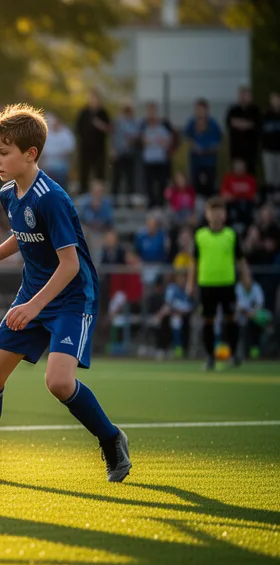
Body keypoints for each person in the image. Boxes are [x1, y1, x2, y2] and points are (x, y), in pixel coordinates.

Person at [0, 103, 130, 483]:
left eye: (3, 152)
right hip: (34, 296)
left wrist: (33, 305)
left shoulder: (52, 197)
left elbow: (70, 264)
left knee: (58, 382)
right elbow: (23, 236)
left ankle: (112, 440)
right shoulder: (10, 194)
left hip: (71, 299)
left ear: (31, 154)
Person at [186, 197, 252, 370]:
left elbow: (241, 259)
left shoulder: (231, 235)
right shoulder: (200, 235)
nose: (216, 215)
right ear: (207, 215)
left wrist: (246, 277)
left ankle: (234, 353)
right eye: (212, 211)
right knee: (208, 320)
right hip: (207, 284)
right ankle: (210, 357)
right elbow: (193, 262)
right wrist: (190, 283)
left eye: (219, 211)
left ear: (224, 214)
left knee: (231, 318)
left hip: (227, 283)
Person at [185, 99, 223, 198]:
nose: (200, 112)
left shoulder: (213, 124)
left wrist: (213, 148)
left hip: (209, 160)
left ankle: (210, 206)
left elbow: (219, 140)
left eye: (202, 109)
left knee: (210, 185)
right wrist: (194, 146)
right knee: (195, 184)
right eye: (198, 109)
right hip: (196, 160)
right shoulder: (192, 123)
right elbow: (187, 138)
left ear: (207, 110)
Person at [140, 102, 175, 208]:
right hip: (148, 160)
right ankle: (151, 204)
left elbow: (168, 141)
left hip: (161, 159)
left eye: (153, 110)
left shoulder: (164, 124)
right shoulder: (143, 125)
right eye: (149, 111)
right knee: (149, 184)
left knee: (162, 183)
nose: (151, 113)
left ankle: (161, 203)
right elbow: (143, 140)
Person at [75, 91, 111, 190]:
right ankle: (83, 192)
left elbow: (109, 129)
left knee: (100, 172)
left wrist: (100, 125)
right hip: (85, 148)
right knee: (84, 171)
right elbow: (78, 128)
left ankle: (100, 193)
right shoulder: (84, 112)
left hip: (99, 148)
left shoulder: (103, 113)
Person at [226, 86, 260, 174]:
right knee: (235, 172)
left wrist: (239, 123)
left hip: (250, 150)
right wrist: (246, 124)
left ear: (250, 96)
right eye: (241, 95)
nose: (242, 97)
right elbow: (230, 123)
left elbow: (255, 124)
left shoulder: (255, 110)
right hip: (236, 149)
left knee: (250, 172)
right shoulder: (233, 110)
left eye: (245, 95)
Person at [110, 103, 140, 199]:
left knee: (130, 179)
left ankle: (129, 200)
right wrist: (112, 150)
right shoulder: (118, 122)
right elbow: (113, 136)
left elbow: (137, 137)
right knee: (116, 178)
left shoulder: (135, 123)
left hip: (129, 154)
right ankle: (114, 200)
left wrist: (132, 140)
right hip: (118, 154)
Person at [261, 92, 280, 195]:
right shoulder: (265, 115)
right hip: (268, 150)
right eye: (274, 99)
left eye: (277, 99)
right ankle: (270, 199)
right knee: (270, 178)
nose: (276, 101)